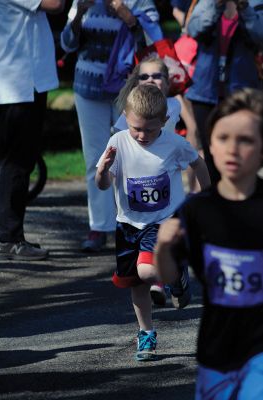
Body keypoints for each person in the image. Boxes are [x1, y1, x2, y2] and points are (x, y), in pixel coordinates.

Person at [155, 88, 263, 398]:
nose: (233, 149)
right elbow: (168, 276)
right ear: (210, 146)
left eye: (246, 140)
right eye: (223, 138)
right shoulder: (197, 210)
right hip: (216, 348)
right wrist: (163, 247)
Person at [96, 85, 210, 361]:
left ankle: (173, 269)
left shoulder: (173, 144)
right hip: (127, 225)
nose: (142, 135)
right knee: (137, 284)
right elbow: (101, 186)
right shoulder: (119, 142)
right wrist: (102, 169)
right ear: (126, 116)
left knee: (147, 272)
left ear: (164, 122)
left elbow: (198, 162)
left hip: (161, 221)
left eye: (149, 129)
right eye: (136, 128)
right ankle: (146, 333)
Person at [60, 0, 163, 252]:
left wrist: (127, 16)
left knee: (133, 157)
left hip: (128, 92)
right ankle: (99, 227)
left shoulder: (139, 1)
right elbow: (66, 43)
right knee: (95, 158)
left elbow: (154, 40)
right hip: (87, 88)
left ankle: (136, 225)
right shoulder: (83, 1)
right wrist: (79, 13)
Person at [115, 56, 200, 306]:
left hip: (170, 174)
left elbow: (193, 131)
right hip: (141, 187)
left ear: (167, 80)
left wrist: (188, 158)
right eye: (144, 77)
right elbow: (121, 139)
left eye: (156, 76)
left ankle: (160, 280)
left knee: (160, 237)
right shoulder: (133, 113)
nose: (150, 80)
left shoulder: (175, 103)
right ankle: (173, 277)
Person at [0, 0, 66, 261]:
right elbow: (55, 3)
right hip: (18, 84)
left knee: (13, 161)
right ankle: (9, 237)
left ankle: (7, 233)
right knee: (16, 162)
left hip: (23, 81)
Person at [185, 0, 263, 184]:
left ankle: (240, 199)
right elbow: (193, 29)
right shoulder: (207, 2)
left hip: (241, 94)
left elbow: (260, 36)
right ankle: (216, 203)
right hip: (205, 93)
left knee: (242, 152)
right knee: (211, 154)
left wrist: (244, 8)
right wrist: (216, 5)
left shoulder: (256, 3)